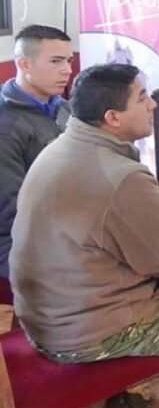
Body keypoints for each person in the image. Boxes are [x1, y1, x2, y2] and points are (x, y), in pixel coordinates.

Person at [9, 64, 159, 408]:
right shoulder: (120, 174)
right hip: (88, 329)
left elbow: (106, 218)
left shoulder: (59, 148)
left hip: (42, 317)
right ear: (112, 117)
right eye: (142, 98)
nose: (153, 105)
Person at [0, 24, 74, 278]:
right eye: (55, 61)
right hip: (21, 246)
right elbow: (13, 212)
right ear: (24, 64)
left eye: (68, 60)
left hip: (71, 228)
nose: (67, 70)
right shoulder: (6, 127)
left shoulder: (66, 109)